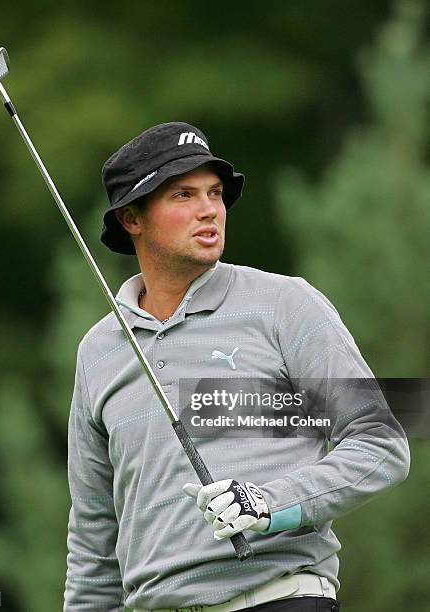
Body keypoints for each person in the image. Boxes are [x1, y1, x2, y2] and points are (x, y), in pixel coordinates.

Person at [63, 122, 410, 612]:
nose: (209, 209)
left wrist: (269, 503)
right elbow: (94, 540)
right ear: (131, 218)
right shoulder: (97, 351)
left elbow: (381, 444)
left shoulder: (285, 304)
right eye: (183, 195)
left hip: (281, 599)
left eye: (215, 193)